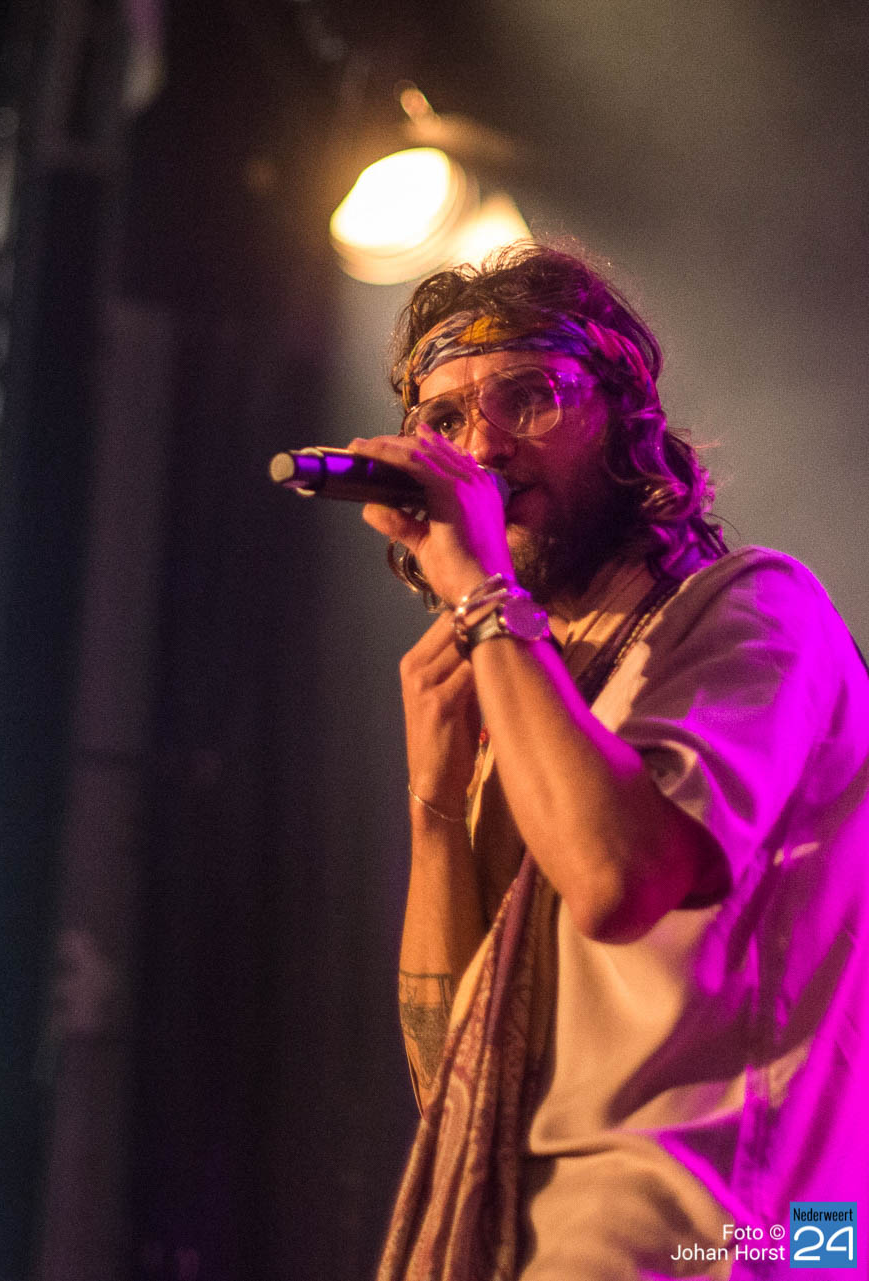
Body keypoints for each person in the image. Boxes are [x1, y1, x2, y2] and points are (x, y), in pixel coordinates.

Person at [345, 244, 869, 1280]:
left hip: (726, 1242)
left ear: (627, 421)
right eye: (443, 420)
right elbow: (459, 1089)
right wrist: (434, 805)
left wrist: (484, 598)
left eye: (529, 396)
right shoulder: (533, 692)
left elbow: (621, 881)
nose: (481, 448)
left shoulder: (755, 609)